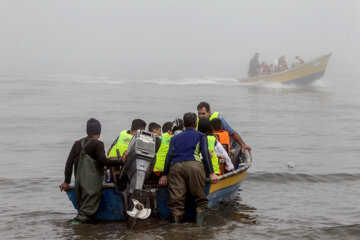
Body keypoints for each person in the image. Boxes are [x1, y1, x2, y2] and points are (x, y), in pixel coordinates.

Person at [59, 118, 124, 224]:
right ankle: (74, 226)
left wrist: (66, 182)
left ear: (87, 131)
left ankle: (84, 229)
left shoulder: (77, 143)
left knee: (83, 209)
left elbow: (69, 163)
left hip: (79, 184)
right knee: (85, 214)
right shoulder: (98, 144)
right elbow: (104, 161)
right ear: (99, 131)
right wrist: (121, 162)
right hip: (92, 185)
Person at [158, 113, 219, 224]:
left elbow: (169, 156)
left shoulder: (174, 138)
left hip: (176, 167)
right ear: (196, 124)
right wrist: (211, 173)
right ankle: (200, 227)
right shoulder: (201, 136)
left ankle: (175, 228)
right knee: (200, 200)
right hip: (194, 167)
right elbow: (205, 154)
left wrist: (165, 175)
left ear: (184, 124)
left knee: (176, 202)